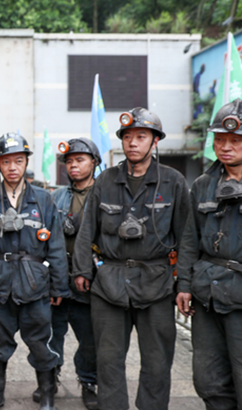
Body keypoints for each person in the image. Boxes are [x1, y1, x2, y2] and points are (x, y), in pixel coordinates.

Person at [73, 107, 189, 410]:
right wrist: (82, 270)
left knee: (157, 362)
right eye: (127, 137)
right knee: (108, 362)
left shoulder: (173, 182)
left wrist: (185, 283)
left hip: (158, 284)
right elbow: (87, 231)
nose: (133, 143)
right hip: (110, 284)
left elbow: (188, 237)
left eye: (141, 136)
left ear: (155, 142)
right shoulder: (105, 180)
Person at [0, 132, 69, 410]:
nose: (12, 167)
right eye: (6, 161)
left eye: (18, 161)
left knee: (41, 344)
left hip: (35, 286)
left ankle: (47, 396)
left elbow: (56, 246)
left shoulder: (44, 200)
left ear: (25, 163)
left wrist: (58, 286)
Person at [177, 99, 242, 409]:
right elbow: (189, 240)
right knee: (208, 379)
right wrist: (185, 285)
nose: (225, 147)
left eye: (235, 140)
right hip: (208, 296)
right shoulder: (203, 185)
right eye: (219, 139)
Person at [48, 138, 101, 410]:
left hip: (90, 280)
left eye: (80, 159)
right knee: (51, 333)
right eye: (69, 161)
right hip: (58, 277)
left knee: (90, 337)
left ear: (94, 162)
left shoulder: (103, 194)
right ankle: (49, 378)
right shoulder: (56, 197)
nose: (74, 165)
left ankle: (89, 381)